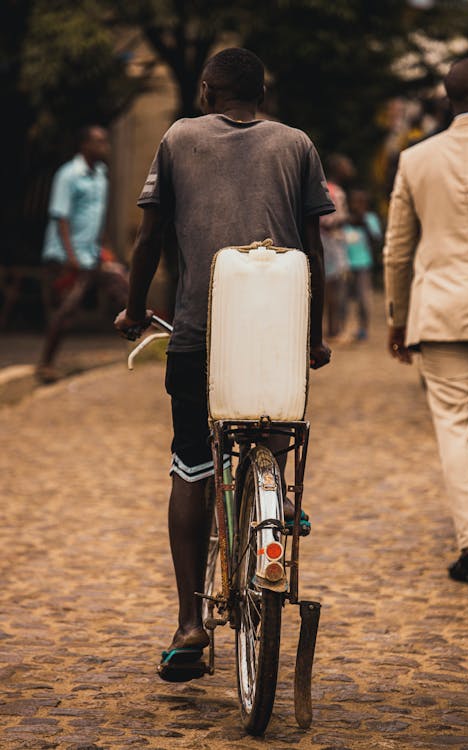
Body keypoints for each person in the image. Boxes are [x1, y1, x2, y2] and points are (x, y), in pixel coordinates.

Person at [114, 47, 333, 675]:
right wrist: (313, 338)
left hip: (198, 335)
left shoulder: (179, 137)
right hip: (278, 334)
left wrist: (133, 310)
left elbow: (150, 236)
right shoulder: (297, 145)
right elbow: (312, 252)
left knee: (192, 464)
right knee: (275, 423)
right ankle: (279, 500)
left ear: (207, 90)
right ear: (261, 95)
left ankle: (189, 623)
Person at [384, 56, 468, 584]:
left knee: (459, 430)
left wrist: (398, 318)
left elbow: (398, 251)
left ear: (449, 102)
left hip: (442, 314)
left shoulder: (416, 160)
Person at [36, 126, 128, 383]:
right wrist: (71, 257)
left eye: (106, 142)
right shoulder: (68, 175)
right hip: (67, 256)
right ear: (84, 145)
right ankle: (45, 364)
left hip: (93, 254)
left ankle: (150, 347)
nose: (104, 147)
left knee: (124, 288)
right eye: (98, 142)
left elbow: (97, 219)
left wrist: (106, 250)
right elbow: (61, 217)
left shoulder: (101, 175)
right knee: (66, 310)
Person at [320, 154, 354, 340]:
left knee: (328, 288)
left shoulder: (322, 187)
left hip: (324, 242)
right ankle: (334, 330)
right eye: (345, 165)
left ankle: (329, 328)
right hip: (332, 244)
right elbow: (328, 221)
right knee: (334, 288)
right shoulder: (337, 192)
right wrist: (346, 218)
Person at [343, 188, 382, 341]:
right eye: (354, 202)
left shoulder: (370, 219)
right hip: (345, 265)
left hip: (363, 264)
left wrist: (364, 224)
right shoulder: (345, 219)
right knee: (343, 300)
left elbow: (376, 240)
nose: (357, 205)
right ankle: (343, 328)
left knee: (363, 299)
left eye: (361, 202)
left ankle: (363, 329)